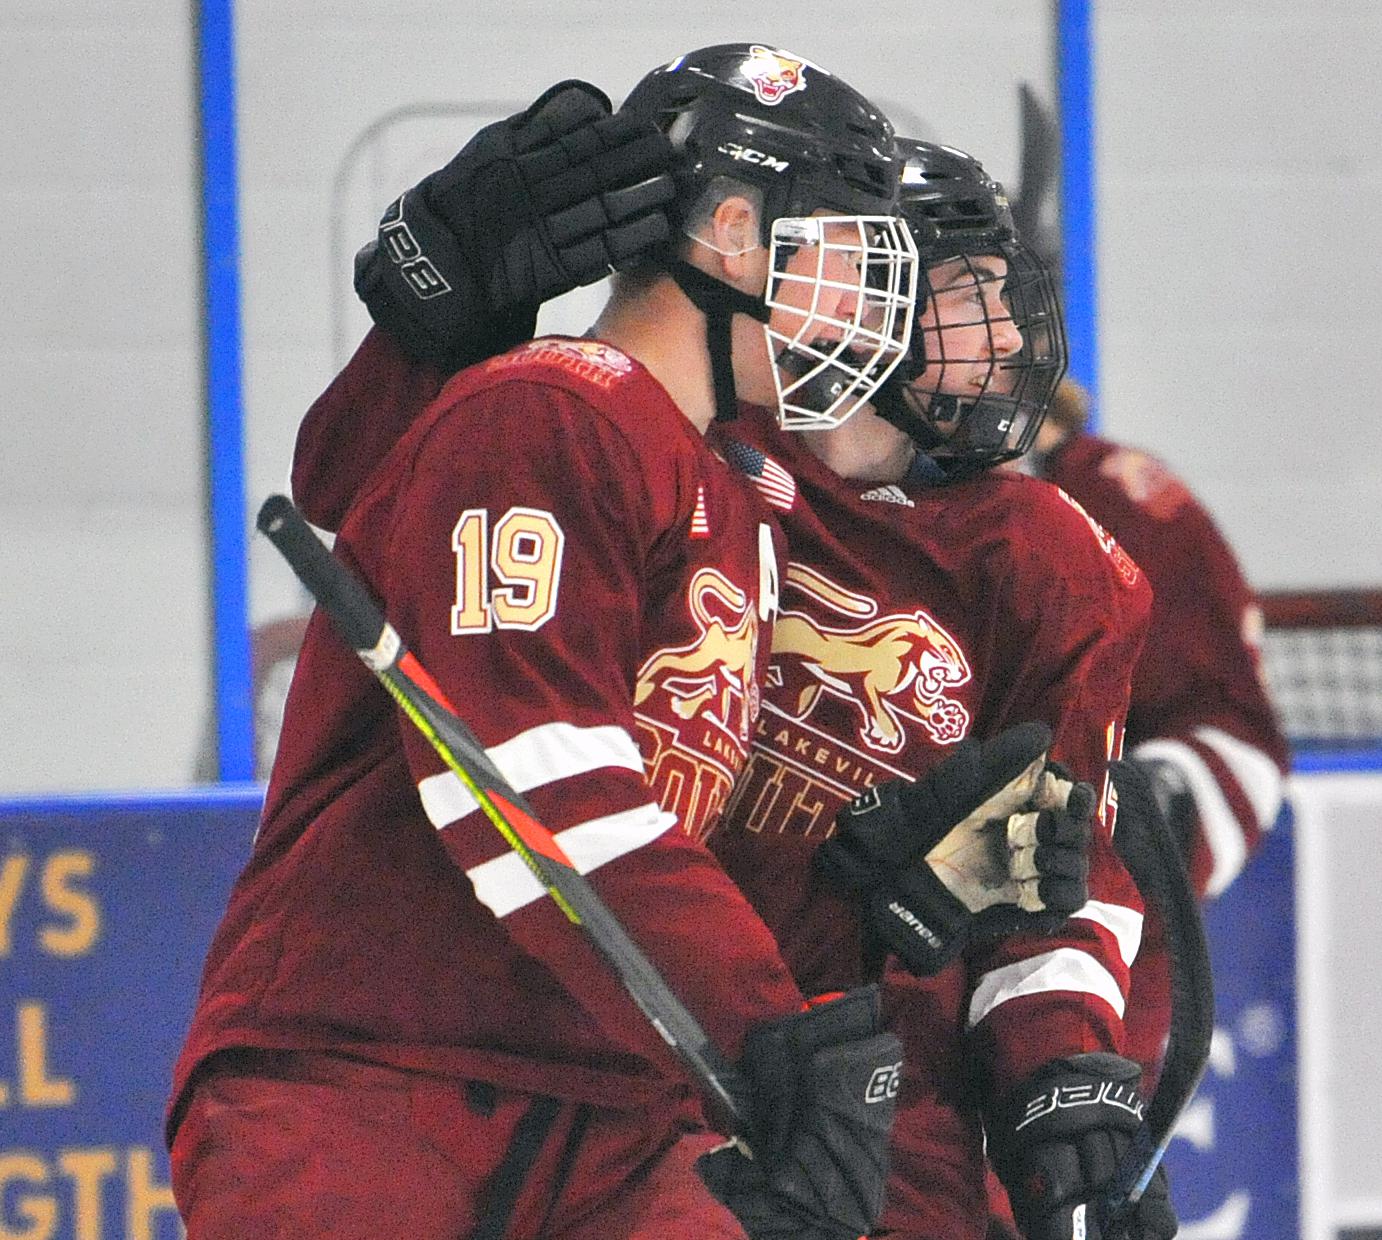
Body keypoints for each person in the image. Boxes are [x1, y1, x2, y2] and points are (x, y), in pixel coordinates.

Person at [283, 113, 1174, 1240]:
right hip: (645, 1064)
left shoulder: (1054, 568)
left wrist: (1055, 1077)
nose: (1001, 329)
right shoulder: (696, 450)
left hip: (859, 1093)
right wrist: (424, 335)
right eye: (965, 288)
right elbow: (382, 506)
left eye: (1008, 291)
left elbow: (1057, 885)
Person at [168, 47, 934, 1240]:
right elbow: (534, 781)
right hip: (368, 1072)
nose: (861, 307)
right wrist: (763, 1023)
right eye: (843, 252)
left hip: (610, 1107)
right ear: (731, 230)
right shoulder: (551, 411)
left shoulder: (736, 488)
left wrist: (888, 885)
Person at [1020, 377, 1290, 1081]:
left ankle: (1097, 1105)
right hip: (1216, 751)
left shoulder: (1075, 493)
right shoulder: (1093, 473)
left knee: (1106, 853)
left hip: (1199, 760)